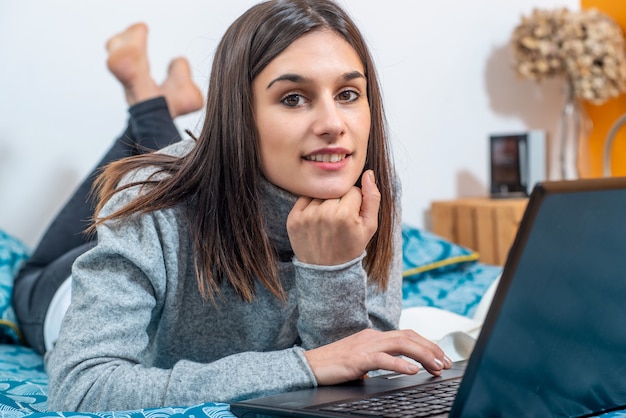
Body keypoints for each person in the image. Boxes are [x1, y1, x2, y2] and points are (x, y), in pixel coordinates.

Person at [22, 0, 452, 412]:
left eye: (347, 94)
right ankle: (147, 99)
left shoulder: (371, 189)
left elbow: (356, 365)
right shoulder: (149, 203)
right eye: (293, 98)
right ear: (239, 115)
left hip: (207, 173)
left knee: (180, 163)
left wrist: (330, 271)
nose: (333, 125)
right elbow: (80, 387)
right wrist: (305, 367)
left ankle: (156, 101)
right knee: (152, 176)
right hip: (57, 291)